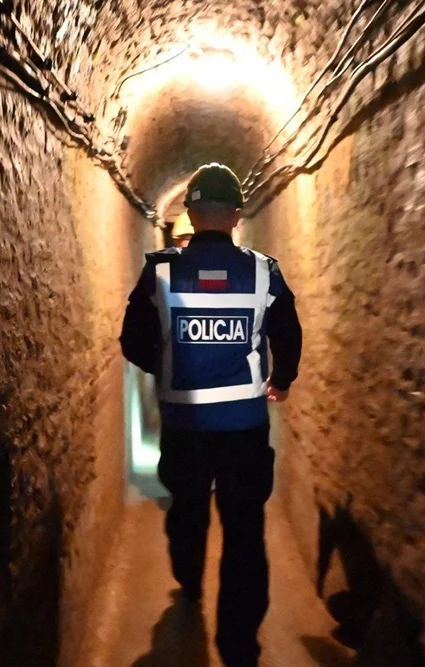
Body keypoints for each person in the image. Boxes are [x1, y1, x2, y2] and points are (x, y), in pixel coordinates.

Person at [119, 163, 303, 667]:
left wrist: (168, 365)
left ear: (191, 214)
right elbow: (288, 333)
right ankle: (238, 648)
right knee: (244, 533)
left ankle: (189, 578)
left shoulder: (160, 270)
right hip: (245, 429)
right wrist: (281, 380)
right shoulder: (264, 271)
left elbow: (132, 341)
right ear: (237, 216)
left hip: (185, 427)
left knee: (187, 509)